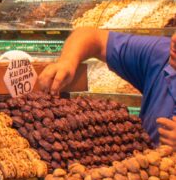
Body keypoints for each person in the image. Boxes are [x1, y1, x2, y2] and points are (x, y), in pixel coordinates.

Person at [37, 27, 176, 146]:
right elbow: (91, 36)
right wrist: (67, 61)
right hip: (147, 171)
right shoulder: (160, 54)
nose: (174, 40)